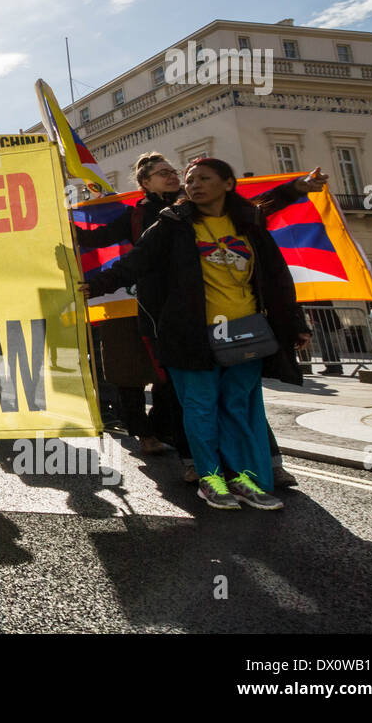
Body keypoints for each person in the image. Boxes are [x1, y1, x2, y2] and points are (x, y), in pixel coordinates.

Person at [83, 157, 311, 511]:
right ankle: (210, 479)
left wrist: (295, 323)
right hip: (192, 334)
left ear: (228, 184)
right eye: (190, 180)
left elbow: (277, 278)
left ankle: (246, 480)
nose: (192, 184)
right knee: (201, 407)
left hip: (246, 331)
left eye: (203, 178)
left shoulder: (248, 222)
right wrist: (94, 286)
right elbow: (134, 263)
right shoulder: (171, 223)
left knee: (240, 408)